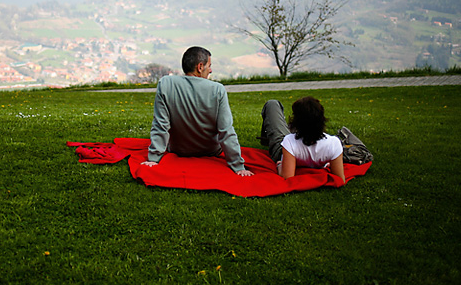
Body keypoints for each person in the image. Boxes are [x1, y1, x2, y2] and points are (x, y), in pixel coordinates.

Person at [141, 46, 253, 176]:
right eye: (209, 66)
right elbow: (226, 131)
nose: (210, 70)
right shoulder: (217, 90)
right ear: (200, 67)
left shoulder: (166, 84)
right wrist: (238, 166)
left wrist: (154, 158)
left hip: (178, 150)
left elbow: (161, 124)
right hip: (210, 151)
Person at [259, 97, 345, 183]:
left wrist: (280, 165)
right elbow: (340, 179)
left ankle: (266, 140)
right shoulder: (334, 143)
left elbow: (287, 177)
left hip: (287, 151)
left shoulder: (289, 141)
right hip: (304, 138)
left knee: (272, 104)